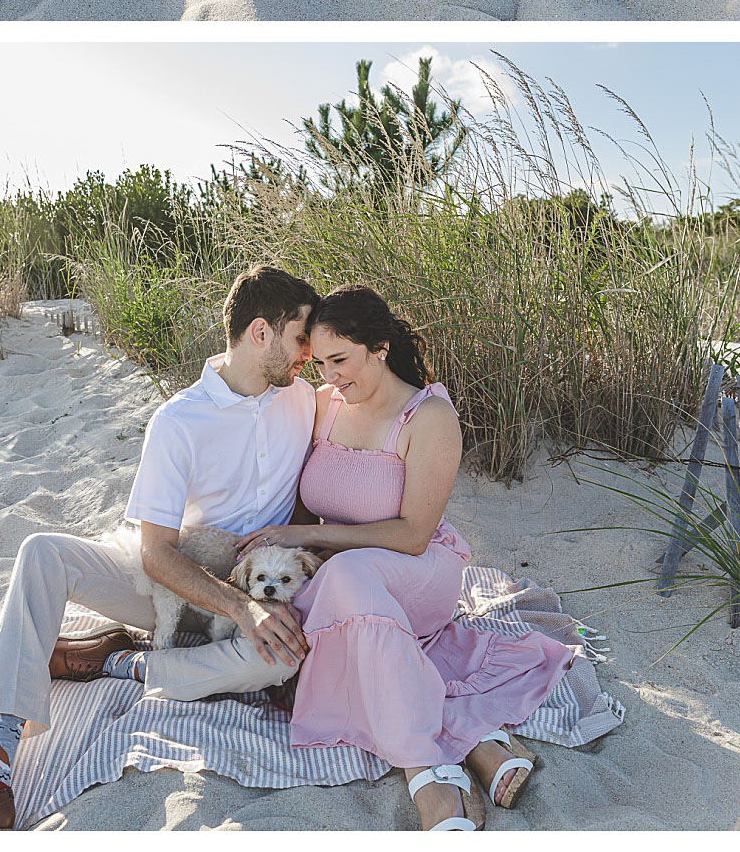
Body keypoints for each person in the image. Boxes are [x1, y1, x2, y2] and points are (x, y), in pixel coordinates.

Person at [0, 265, 321, 830]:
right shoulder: (178, 421)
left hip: (263, 591)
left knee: (272, 657)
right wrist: (237, 605)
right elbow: (157, 554)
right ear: (260, 333)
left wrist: (270, 590)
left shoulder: (306, 401)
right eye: (301, 337)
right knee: (42, 552)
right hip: (180, 585)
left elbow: (310, 500)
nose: (310, 352)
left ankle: (118, 661)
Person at [235, 286, 575, 832]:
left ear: (380, 347)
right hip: (343, 577)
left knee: (347, 576)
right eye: (319, 363)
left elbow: (414, 534)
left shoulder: (429, 416)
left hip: (418, 574)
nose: (329, 376)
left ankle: (423, 767)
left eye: (340, 360)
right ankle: (473, 738)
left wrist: (299, 532)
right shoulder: (323, 406)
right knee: (344, 583)